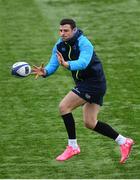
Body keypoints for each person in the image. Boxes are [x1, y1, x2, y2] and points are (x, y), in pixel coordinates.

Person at [32, 18, 134, 163]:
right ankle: (124, 141)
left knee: (64, 106)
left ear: (74, 30)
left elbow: (83, 62)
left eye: (66, 30)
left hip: (94, 83)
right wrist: (45, 72)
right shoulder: (59, 45)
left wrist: (67, 64)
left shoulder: (84, 43)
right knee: (90, 122)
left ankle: (72, 146)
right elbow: (53, 64)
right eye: (60, 30)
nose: (62, 33)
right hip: (87, 84)